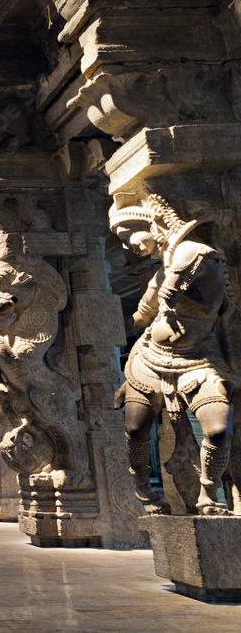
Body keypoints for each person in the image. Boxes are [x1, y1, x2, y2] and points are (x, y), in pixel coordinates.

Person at [111, 195, 233, 515]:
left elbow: (196, 256)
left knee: (218, 430)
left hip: (199, 359)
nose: (126, 246)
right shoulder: (157, 276)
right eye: (120, 241)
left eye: (128, 236)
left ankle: (210, 491)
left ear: (153, 225)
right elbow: (141, 316)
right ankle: (141, 487)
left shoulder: (197, 254)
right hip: (151, 359)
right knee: (136, 430)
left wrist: (174, 282)